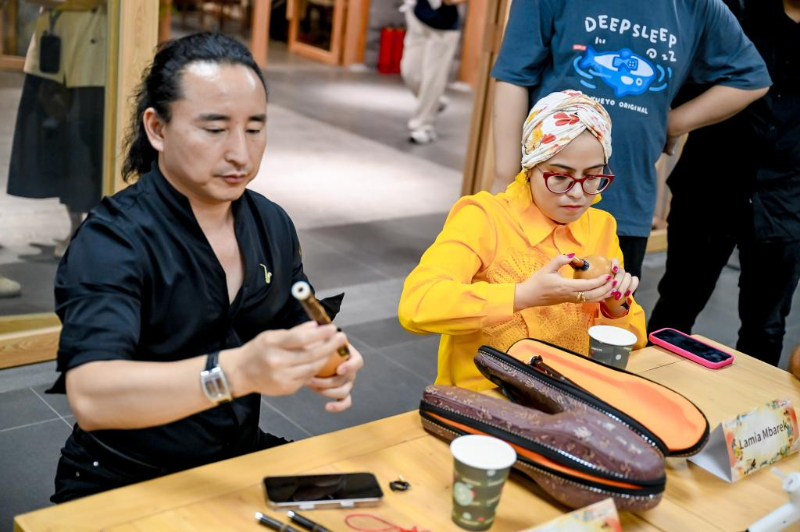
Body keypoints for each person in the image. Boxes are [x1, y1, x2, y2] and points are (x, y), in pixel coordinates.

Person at [49, 33, 364, 503]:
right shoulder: (113, 240)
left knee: (360, 497)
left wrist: (327, 355)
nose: (241, 153)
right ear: (157, 128)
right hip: (125, 476)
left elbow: (297, 316)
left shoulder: (271, 222)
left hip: (234, 458)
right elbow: (92, 397)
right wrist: (235, 372)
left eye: (254, 129)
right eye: (215, 129)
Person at [489, 0, 772, 279]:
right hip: (541, 197)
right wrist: (505, 177)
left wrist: (671, 124)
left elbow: (752, 78)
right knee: (515, 301)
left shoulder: (698, 6)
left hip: (626, 203)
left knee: (611, 306)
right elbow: (515, 76)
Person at [398, 90, 645, 391]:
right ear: (530, 167)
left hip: (570, 395)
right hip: (486, 400)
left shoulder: (601, 226)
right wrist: (523, 295)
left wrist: (615, 305)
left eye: (593, 177)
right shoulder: (484, 218)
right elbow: (417, 305)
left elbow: (636, 341)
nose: (578, 194)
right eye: (560, 177)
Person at [648, 0, 800, 368]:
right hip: (709, 184)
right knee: (677, 305)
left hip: (786, 199)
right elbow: (688, 70)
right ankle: (646, 394)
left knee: (766, 327)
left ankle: (752, 408)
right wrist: (669, 124)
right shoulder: (734, 9)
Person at [7, 0, 107, 258]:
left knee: (91, 144)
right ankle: (74, 226)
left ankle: (97, 227)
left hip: (95, 51)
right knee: (57, 144)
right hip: (52, 48)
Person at [400, 0, 467, 145]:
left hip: (443, 27)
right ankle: (436, 101)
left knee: (433, 78)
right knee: (409, 72)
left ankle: (423, 126)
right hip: (417, 19)